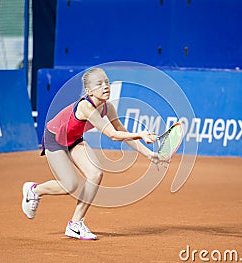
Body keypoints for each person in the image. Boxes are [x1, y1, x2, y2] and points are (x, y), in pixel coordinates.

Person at [21, 68, 162, 240]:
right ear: (89, 91)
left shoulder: (108, 107)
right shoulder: (85, 106)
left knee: (96, 173)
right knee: (70, 186)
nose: (105, 86)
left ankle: (75, 224)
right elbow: (112, 135)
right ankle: (34, 190)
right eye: (99, 84)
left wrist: (148, 154)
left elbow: (121, 131)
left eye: (107, 82)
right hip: (55, 138)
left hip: (74, 139)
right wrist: (140, 134)